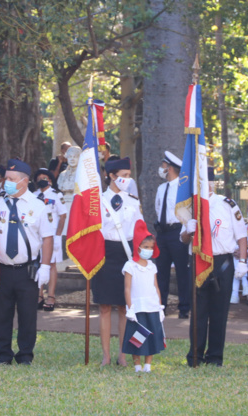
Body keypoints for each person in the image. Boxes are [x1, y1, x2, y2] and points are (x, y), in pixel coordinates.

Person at [181, 167, 247, 367]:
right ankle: (195, 356)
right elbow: (183, 239)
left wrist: (243, 261)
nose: (206, 186)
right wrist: (188, 231)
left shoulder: (228, 204)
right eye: (201, 183)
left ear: (213, 183)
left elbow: (241, 235)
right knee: (198, 311)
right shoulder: (190, 206)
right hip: (199, 260)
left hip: (223, 262)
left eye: (208, 182)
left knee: (219, 312)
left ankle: (215, 357)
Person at [0, 159, 54, 365]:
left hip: (27, 270)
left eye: (11, 179)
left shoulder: (38, 207)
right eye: (5, 178)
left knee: (28, 315)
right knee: (2, 314)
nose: (5, 182)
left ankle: (25, 355)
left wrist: (45, 266)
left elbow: (47, 238)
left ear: (24, 181)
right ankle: (3, 355)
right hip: (1, 268)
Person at [95, 157, 144, 366]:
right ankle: (106, 355)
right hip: (104, 254)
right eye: (123, 176)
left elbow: (140, 233)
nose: (127, 179)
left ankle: (122, 355)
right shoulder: (97, 201)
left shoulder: (133, 202)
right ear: (111, 176)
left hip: (126, 255)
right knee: (105, 307)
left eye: (128, 175)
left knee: (125, 307)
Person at [122, 220, 165, 373]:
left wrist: (160, 307)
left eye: (151, 248)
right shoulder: (130, 266)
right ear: (137, 247)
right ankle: (137, 365)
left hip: (152, 306)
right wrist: (130, 308)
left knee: (152, 335)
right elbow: (127, 289)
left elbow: (156, 287)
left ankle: (148, 365)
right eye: (146, 247)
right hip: (137, 308)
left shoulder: (152, 266)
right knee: (137, 338)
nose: (149, 250)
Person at [154, 151, 191, 319]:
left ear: (169, 168)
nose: (160, 168)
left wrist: (185, 232)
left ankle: (184, 308)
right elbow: (157, 208)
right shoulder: (161, 188)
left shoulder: (183, 188)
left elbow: (187, 212)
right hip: (163, 232)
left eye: (162, 165)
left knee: (182, 272)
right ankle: (161, 306)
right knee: (161, 271)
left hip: (178, 232)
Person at [31, 168, 67, 311]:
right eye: (39, 178)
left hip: (51, 236)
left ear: (50, 180)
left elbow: (63, 215)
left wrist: (58, 235)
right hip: (36, 236)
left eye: (44, 177)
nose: (42, 180)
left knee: (51, 265)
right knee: (38, 264)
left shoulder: (56, 195)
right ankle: (39, 295)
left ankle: (51, 296)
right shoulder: (33, 195)